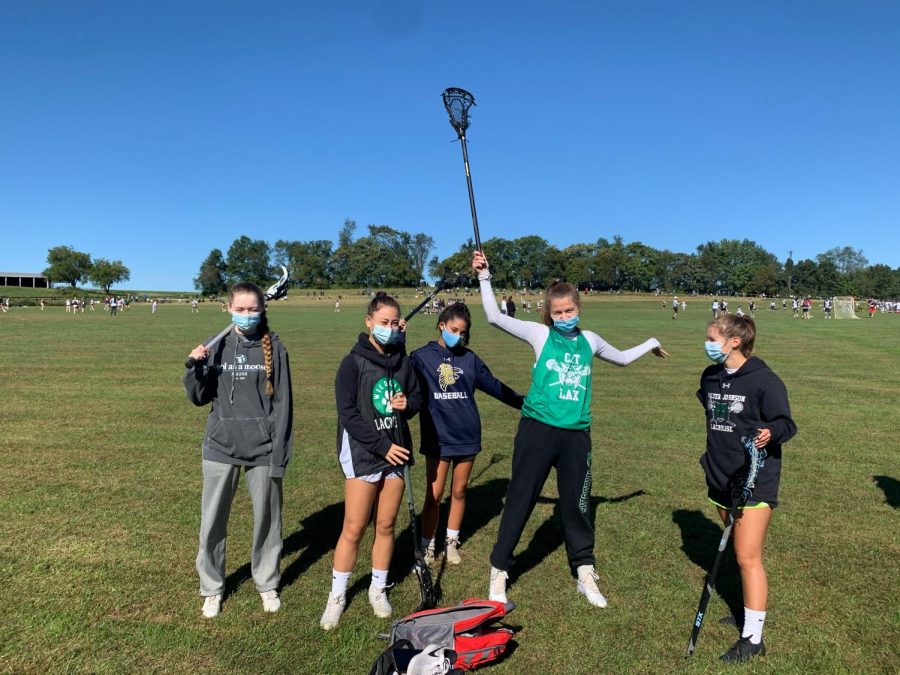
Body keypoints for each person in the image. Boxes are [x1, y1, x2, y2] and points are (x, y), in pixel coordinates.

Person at [471, 251, 668, 608]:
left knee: (578, 505)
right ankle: (499, 569)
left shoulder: (589, 340)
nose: (564, 317)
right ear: (549, 312)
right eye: (558, 312)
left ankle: (584, 570)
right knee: (521, 499)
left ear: (579, 308)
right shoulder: (539, 334)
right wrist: (485, 277)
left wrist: (651, 343)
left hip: (576, 435)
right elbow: (493, 316)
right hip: (538, 430)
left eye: (569, 311)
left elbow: (621, 358)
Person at [184, 282, 293, 618]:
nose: (247, 315)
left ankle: (267, 581)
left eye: (253, 309)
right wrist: (195, 368)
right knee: (213, 522)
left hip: (263, 448)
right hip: (220, 446)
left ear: (263, 310)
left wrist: (280, 456)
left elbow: (284, 405)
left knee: (267, 522)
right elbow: (198, 398)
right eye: (240, 309)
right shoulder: (215, 345)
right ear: (229, 308)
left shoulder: (275, 347)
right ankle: (212, 587)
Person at [320, 292, 423, 630]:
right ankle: (337, 595)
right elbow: (349, 415)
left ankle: (378, 588)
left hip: (397, 452)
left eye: (395, 323)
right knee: (354, 528)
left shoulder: (401, 361)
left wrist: (406, 404)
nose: (390, 329)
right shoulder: (351, 363)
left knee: (386, 525)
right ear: (368, 322)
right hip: (365, 453)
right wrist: (381, 446)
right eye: (383, 323)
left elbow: (418, 397)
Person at [698, 314, 796, 662]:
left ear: (734, 341)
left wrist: (771, 432)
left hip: (755, 479)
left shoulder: (765, 381)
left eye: (712, 337)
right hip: (720, 475)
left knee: (747, 556)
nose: (707, 343)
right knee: (737, 547)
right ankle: (746, 613)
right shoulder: (710, 377)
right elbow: (711, 411)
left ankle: (753, 638)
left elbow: (786, 423)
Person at [410, 303, 523, 567]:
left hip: (467, 434)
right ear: (441, 325)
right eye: (453, 329)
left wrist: (522, 401)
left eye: (462, 332)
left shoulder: (469, 359)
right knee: (434, 495)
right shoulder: (420, 357)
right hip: (438, 437)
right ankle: (428, 545)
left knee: (459, 491)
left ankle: (451, 541)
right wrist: (398, 338)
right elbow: (402, 374)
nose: (458, 335)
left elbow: (493, 385)